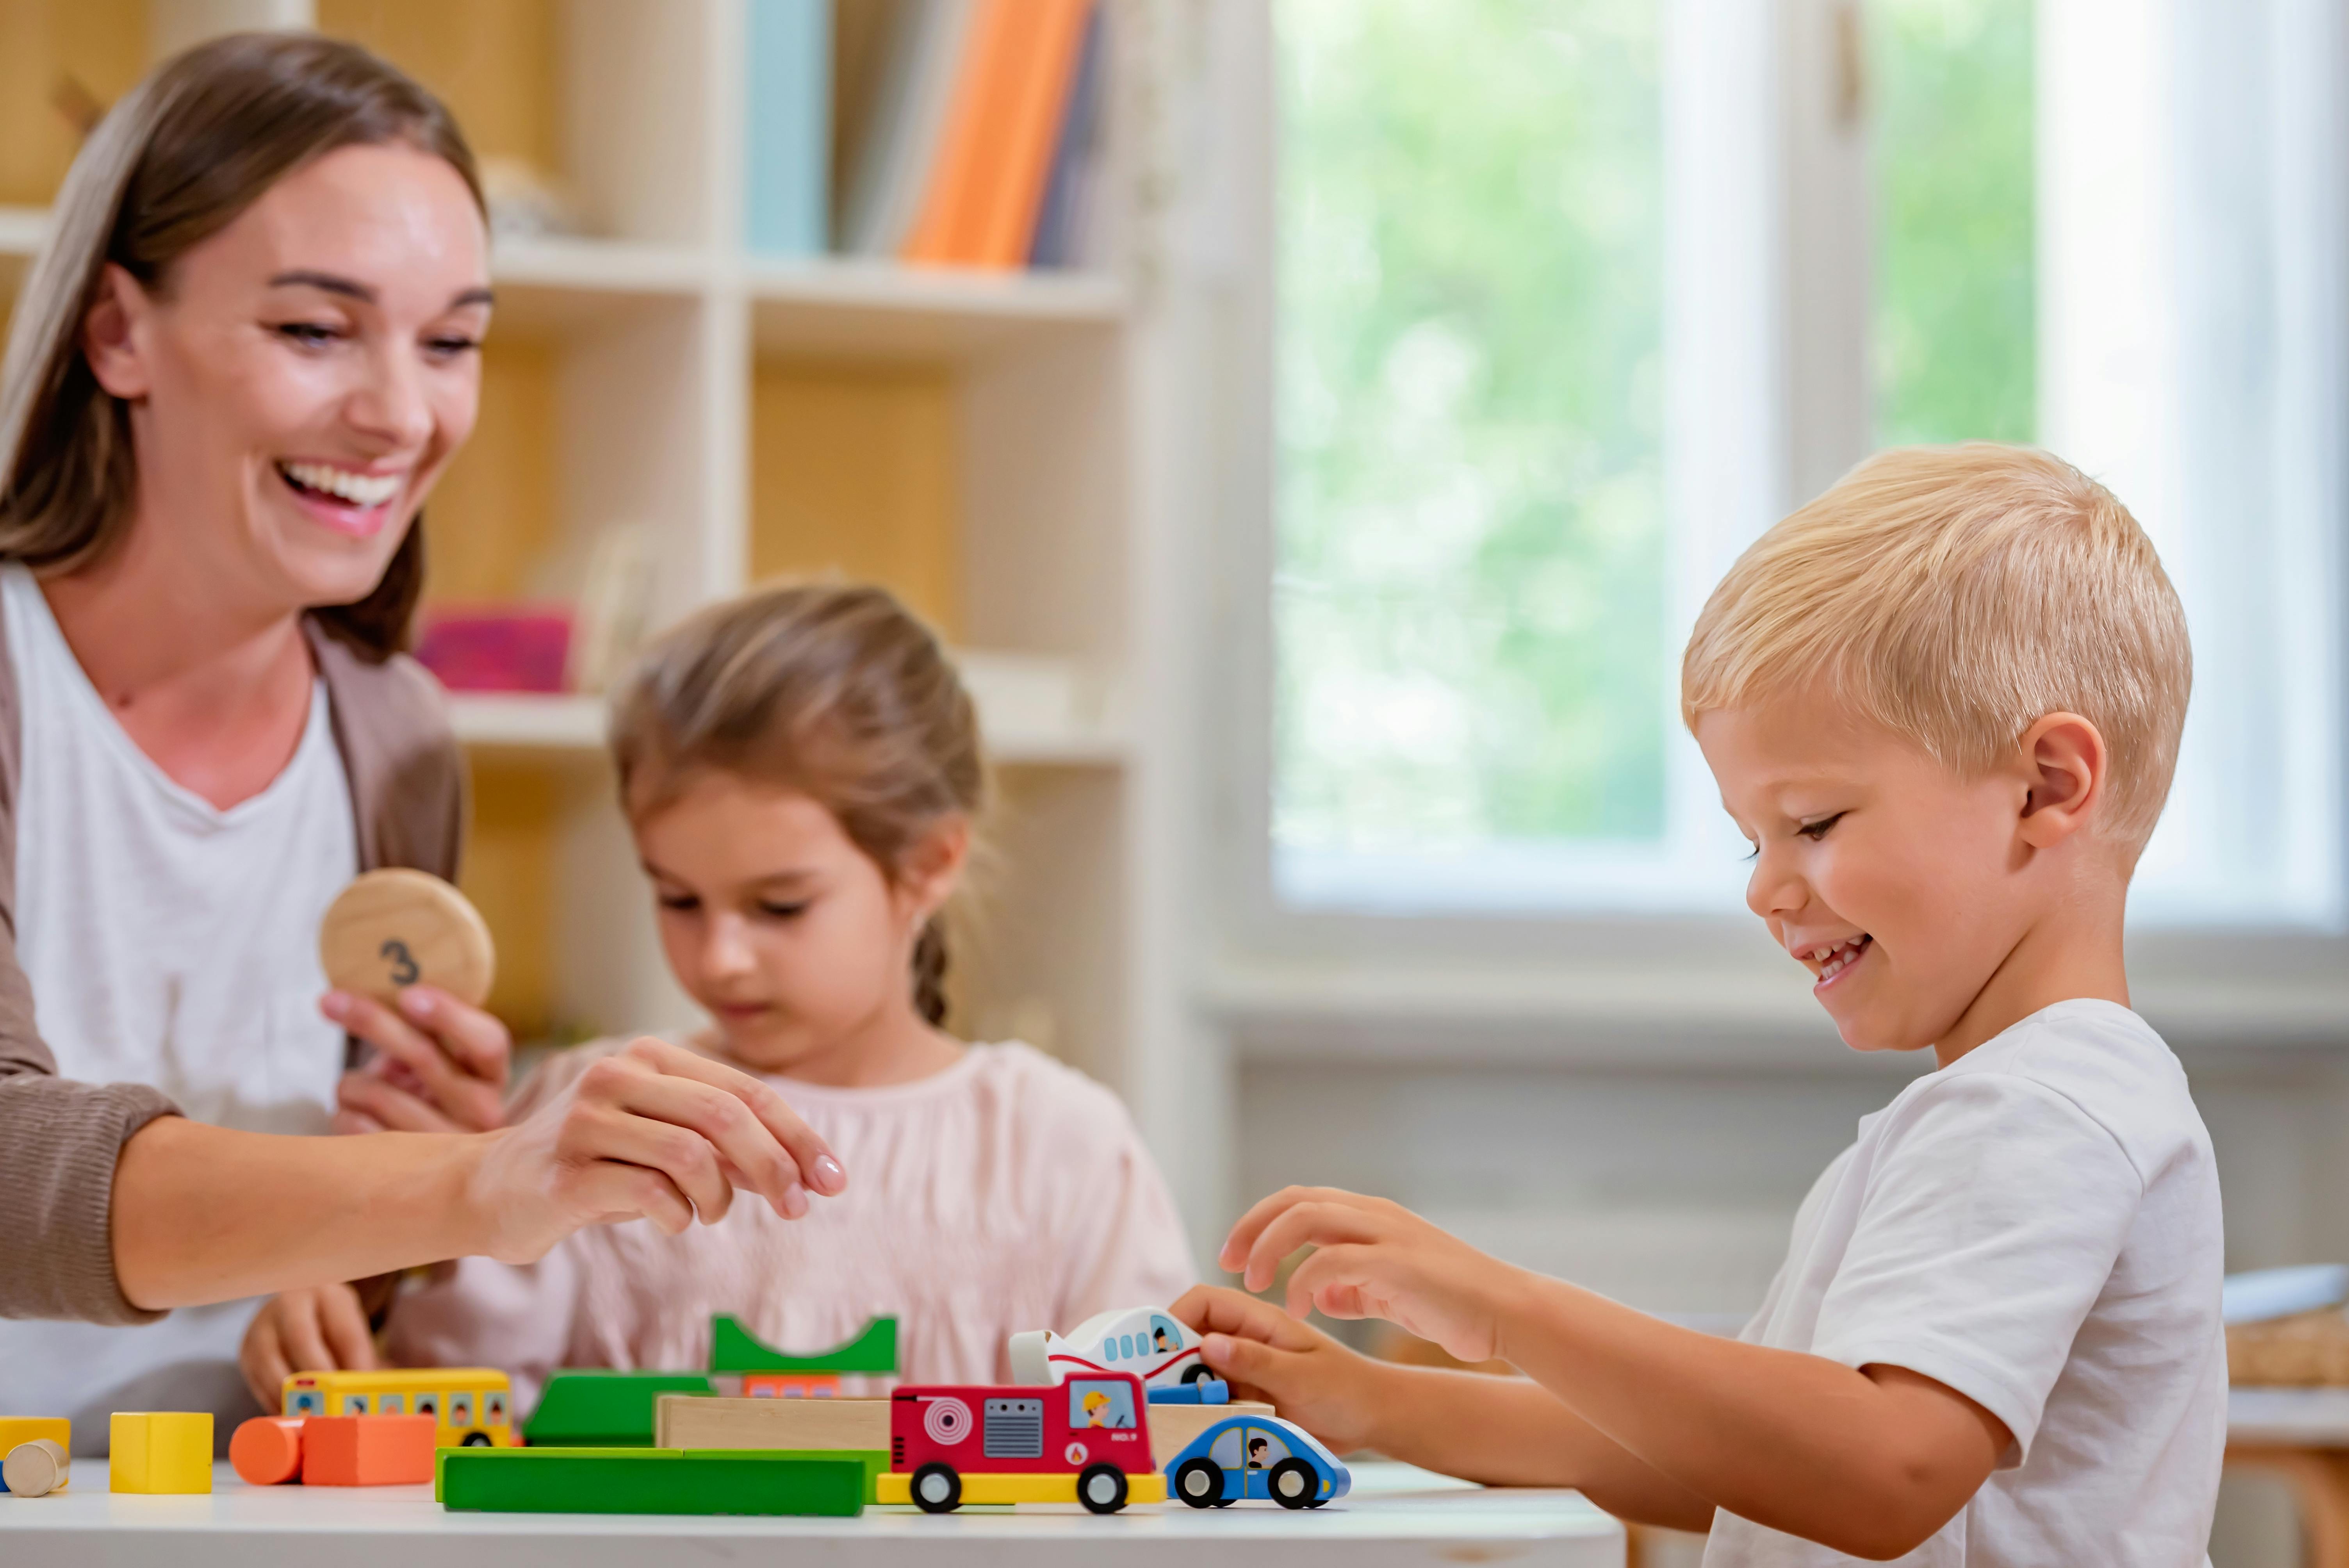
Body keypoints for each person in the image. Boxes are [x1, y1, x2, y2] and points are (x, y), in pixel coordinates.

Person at [0, 31, 843, 1433]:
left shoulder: (393, 733)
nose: (402, 413)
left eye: (451, 341)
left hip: (235, 1509)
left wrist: (398, 1213)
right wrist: (478, 1179)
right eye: (313, 329)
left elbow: (342, 1284)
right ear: (116, 333)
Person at [1176, 445, 2224, 1565]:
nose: (1766, 888)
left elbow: (1884, 1472)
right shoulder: (2019, 1103)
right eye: (1751, 838)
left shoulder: (2038, 1109)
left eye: (1814, 822)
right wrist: (1364, 1400)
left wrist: (1506, 1310)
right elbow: (1739, 1465)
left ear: (2046, 787)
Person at [243, 584, 1192, 1404]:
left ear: (930, 861)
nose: (721, 957)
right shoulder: (599, 1110)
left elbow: (1151, 1452)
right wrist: (342, 1316)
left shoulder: (1062, 1146)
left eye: (779, 905)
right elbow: (456, 1425)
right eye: (678, 898)